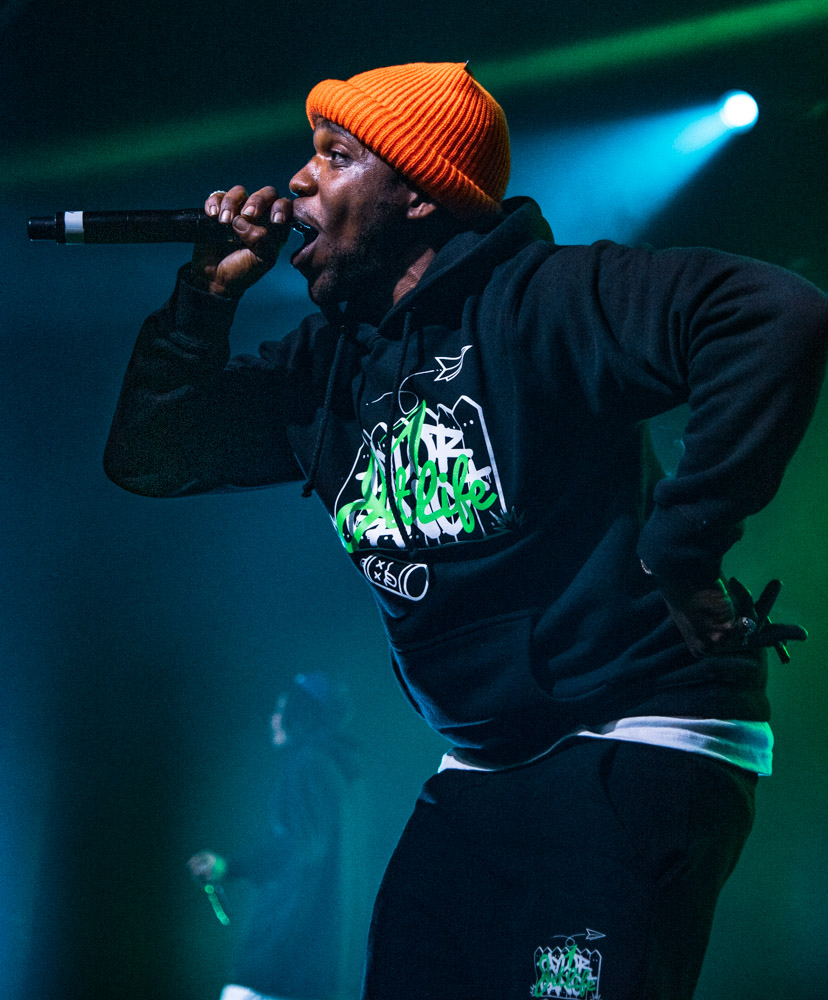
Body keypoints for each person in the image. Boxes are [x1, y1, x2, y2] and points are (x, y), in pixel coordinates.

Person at [104, 62, 828, 999]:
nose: (298, 179)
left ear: (416, 191)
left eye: (335, 154)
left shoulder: (543, 299)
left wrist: (684, 544)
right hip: (485, 760)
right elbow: (151, 455)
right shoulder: (327, 367)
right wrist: (204, 296)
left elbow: (773, 314)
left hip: (637, 729)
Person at [187, 672, 362, 1000]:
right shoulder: (336, 773)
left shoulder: (307, 767)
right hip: (313, 971)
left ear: (301, 714)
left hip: (280, 970)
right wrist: (229, 867)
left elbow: (299, 853)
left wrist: (268, 956)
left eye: (282, 709)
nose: (273, 719)